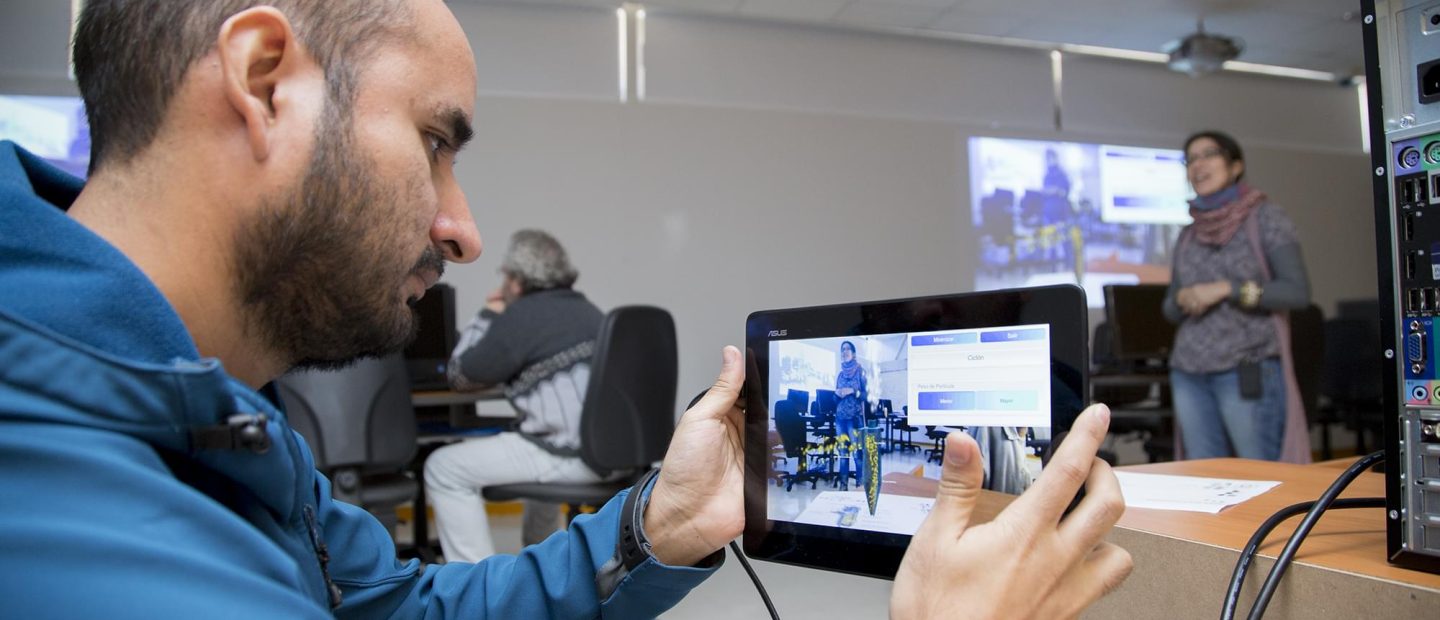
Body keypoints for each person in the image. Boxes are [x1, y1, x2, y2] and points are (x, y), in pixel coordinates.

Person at [0, 1, 1131, 617]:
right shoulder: (60, 509)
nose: (461, 227)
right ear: (260, 81)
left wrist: (653, 529)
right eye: (437, 142)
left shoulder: (215, 418)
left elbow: (399, 609)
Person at [426, 229, 606, 562]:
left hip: (567, 454)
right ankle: (543, 564)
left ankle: (477, 586)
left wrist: (488, 314)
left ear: (517, 280)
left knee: (442, 468)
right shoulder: (590, 312)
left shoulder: (521, 317)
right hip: (610, 454)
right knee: (532, 446)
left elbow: (461, 375)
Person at [1163, 130, 1312, 462]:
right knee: (1204, 478)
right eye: (1191, 159)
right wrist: (1183, 298)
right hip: (1189, 371)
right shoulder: (1188, 233)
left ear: (1235, 166)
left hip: (1248, 368)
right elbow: (1169, 309)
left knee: (1260, 475)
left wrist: (1227, 289)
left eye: (1209, 154)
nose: (1198, 165)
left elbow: (1297, 293)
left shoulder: (1266, 218)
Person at [833, 340, 867, 489]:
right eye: (842, 349)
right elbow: (835, 400)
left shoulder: (860, 371)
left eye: (847, 349)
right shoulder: (840, 375)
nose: (844, 351)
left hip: (854, 418)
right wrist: (837, 394)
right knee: (842, 453)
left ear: (853, 354)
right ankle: (843, 485)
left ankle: (860, 484)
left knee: (856, 453)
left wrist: (853, 391)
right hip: (840, 418)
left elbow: (867, 395)